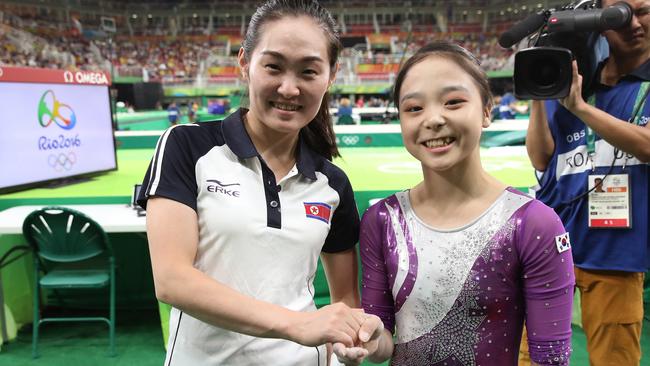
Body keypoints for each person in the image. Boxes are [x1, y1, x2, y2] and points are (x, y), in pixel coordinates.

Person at [137, 1, 371, 364]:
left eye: (309, 72)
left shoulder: (332, 183)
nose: (289, 88)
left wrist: (348, 342)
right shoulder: (187, 145)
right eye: (273, 66)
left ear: (332, 75)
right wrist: (295, 325)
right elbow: (171, 279)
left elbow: (345, 299)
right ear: (245, 63)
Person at [333, 41, 575, 366]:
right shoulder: (382, 219)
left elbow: (552, 359)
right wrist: (369, 342)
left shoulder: (533, 223)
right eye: (414, 108)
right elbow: (385, 340)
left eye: (453, 102)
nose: (433, 119)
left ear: (487, 110)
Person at [525, 0, 650, 364]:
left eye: (643, 11)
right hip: (548, 247)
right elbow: (540, 157)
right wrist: (540, 95)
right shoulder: (572, 79)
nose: (634, 23)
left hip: (616, 256)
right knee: (530, 357)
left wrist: (581, 108)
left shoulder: (582, 97)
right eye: (621, 14)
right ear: (598, 22)